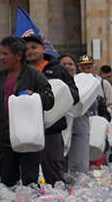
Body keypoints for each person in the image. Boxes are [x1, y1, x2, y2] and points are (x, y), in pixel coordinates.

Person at [0, 35, 54, 187]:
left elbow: (49, 100)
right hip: (6, 139)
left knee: (30, 184)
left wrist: (36, 96)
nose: (1, 58)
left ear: (18, 56)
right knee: (7, 184)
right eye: (0, 54)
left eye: (5, 54)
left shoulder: (34, 75)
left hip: (29, 139)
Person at [24, 34, 78, 185]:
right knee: (27, 172)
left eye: (34, 47)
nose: (30, 51)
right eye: (26, 48)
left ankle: (55, 196)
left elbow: (74, 94)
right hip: (27, 127)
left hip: (52, 127)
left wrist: (59, 98)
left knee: (53, 170)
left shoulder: (58, 69)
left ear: (43, 48)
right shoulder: (20, 70)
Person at [59, 55, 90, 177]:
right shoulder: (53, 82)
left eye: (70, 64)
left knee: (78, 170)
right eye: (63, 64)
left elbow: (93, 106)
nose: (67, 67)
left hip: (79, 130)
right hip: (59, 130)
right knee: (59, 169)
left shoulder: (84, 83)